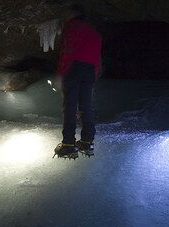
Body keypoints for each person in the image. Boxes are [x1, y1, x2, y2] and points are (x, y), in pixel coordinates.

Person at [53, 5, 102, 159]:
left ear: (74, 13)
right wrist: (93, 78)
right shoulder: (94, 32)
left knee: (70, 105)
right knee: (86, 106)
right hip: (89, 71)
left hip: (73, 68)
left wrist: (61, 74)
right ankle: (87, 142)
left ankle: (68, 144)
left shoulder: (72, 27)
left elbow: (67, 51)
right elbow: (97, 60)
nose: (64, 16)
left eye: (67, 12)